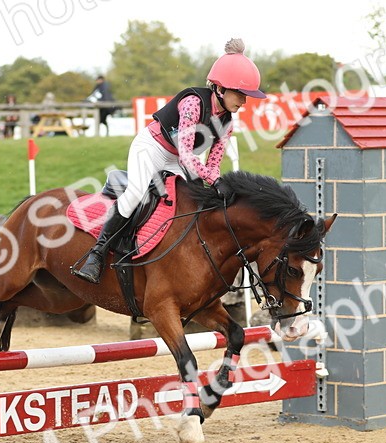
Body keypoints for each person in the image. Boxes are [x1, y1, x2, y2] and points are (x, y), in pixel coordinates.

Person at [71, 38, 266, 284]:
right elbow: (187, 153)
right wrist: (213, 179)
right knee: (135, 193)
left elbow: (213, 162)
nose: (244, 102)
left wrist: (216, 180)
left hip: (176, 158)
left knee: (192, 200)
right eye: (241, 94)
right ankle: (97, 255)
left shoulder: (227, 122)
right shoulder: (193, 103)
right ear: (220, 88)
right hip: (151, 147)